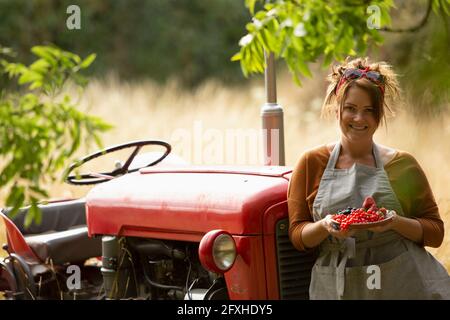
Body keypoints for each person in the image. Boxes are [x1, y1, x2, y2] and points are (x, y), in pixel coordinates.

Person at [287, 57, 450, 300]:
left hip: (403, 285)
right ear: (337, 108)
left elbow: (435, 233)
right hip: (335, 285)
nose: (359, 119)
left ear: (380, 113)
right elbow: (298, 235)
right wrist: (325, 226)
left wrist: (394, 222)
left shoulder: (402, 165)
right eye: (351, 108)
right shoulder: (311, 163)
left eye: (368, 111)